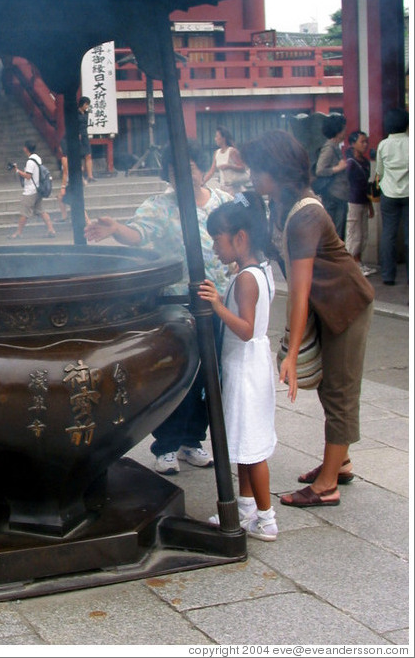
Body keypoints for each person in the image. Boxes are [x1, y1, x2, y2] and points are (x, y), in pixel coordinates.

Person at [240, 129, 374, 509]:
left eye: (256, 170)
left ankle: (328, 484)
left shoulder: (305, 216)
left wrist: (292, 352)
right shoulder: (283, 204)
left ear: (276, 170)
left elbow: (298, 292)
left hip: (347, 304)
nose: (252, 176)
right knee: (331, 387)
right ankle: (341, 461)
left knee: (340, 391)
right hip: (326, 303)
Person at [85, 140, 232, 474]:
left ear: (200, 167)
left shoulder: (222, 202)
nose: (180, 175)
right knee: (178, 376)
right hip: (179, 305)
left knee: (211, 378)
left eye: (187, 167)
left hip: (221, 302)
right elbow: (138, 233)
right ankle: (165, 444)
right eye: (172, 170)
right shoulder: (159, 206)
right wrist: (115, 229)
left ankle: (192, 440)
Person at [199, 192, 278, 541]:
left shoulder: (247, 279)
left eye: (218, 239)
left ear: (240, 238)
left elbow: (245, 329)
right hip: (251, 367)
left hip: (245, 369)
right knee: (245, 446)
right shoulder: (259, 270)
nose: (215, 247)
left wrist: (217, 304)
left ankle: (267, 518)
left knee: (253, 450)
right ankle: (246, 509)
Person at [375, 107, 409, 286]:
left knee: (388, 234)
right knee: (409, 236)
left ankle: (388, 276)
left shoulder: (383, 145)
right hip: (409, 194)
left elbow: (379, 171)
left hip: (388, 193)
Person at [8, 140, 57, 239]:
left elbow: (28, 176)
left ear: (26, 148)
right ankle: (51, 230)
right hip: (37, 189)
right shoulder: (37, 158)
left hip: (31, 191)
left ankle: (18, 233)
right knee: (41, 210)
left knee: (24, 212)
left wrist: (17, 171)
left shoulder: (30, 161)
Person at [345, 130, 376, 276]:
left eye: (366, 142)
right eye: (361, 142)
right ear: (353, 144)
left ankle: (359, 262)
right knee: (354, 234)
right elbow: (346, 182)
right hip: (353, 202)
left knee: (363, 234)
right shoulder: (350, 163)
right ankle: (351, 264)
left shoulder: (365, 163)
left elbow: (366, 185)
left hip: (363, 201)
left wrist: (370, 205)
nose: (365, 145)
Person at [314, 113, 348, 240]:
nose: (345, 132)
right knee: (336, 233)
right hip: (333, 195)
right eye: (343, 129)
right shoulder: (329, 148)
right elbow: (320, 169)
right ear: (337, 131)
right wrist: (338, 168)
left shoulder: (335, 147)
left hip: (338, 194)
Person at [203, 126, 250, 195]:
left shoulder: (232, 151)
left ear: (223, 138)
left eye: (217, 136)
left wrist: (229, 166)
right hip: (224, 187)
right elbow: (211, 171)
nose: (215, 139)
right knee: (228, 204)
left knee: (242, 203)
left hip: (235, 188)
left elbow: (242, 168)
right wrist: (202, 182)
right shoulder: (216, 153)